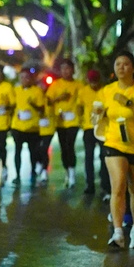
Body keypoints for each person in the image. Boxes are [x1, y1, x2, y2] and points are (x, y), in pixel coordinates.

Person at [92, 50, 134, 249]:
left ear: (133, 68)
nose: (121, 67)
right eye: (118, 64)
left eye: (126, 64)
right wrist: (97, 114)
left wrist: (127, 103)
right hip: (114, 143)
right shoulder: (106, 90)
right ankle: (118, 233)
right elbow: (97, 114)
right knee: (118, 185)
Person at [47, 58, 81, 188]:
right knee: (63, 147)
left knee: (70, 145)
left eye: (68, 68)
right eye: (63, 69)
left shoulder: (79, 85)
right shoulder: (56, 85)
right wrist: (59, 98)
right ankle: (67, 171)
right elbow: (48, 101)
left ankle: (72, 173)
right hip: (60, 121)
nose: (65, 71)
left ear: (73, 70)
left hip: (73, 121)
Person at [78, 68, 111, 196]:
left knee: (104, 156)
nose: (94, 84)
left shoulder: (105, 91)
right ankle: (90, 185)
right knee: (89, 157)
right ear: (87, 80)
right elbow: (79, 106)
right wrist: (80, 119)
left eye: (95, 81)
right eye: (91, 81)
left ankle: (105, 184)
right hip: (89, 128)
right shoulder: (83, 91)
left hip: (102, 128)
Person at [10, 66, 45, 184]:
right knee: (17, 151)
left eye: (27, 77)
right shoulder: (16, 91)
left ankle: (33, 171)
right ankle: (17, 175)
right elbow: (11, 105)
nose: (24, 80)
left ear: (31, 79)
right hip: (17, 126)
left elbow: (42, 109)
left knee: (33, 151)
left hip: (32, 128)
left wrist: (33, 104)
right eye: (22, 77)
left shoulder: (37, 91)